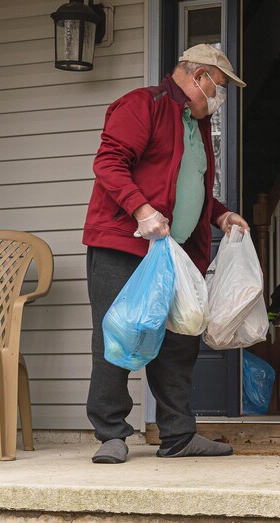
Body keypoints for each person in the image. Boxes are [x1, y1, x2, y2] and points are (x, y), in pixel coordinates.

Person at [82, 44, 250, 464]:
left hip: (171, 252)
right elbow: (109, 163)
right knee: (118, 334)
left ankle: (178, 434)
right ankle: (112, 434)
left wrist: (221, 214)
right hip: (124, 244)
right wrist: (141, 209)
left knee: (179, 340)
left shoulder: (197, 125)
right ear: (198, 76)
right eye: (219, 87)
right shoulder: (144, 105)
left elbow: (189, 189)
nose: (219, 98)